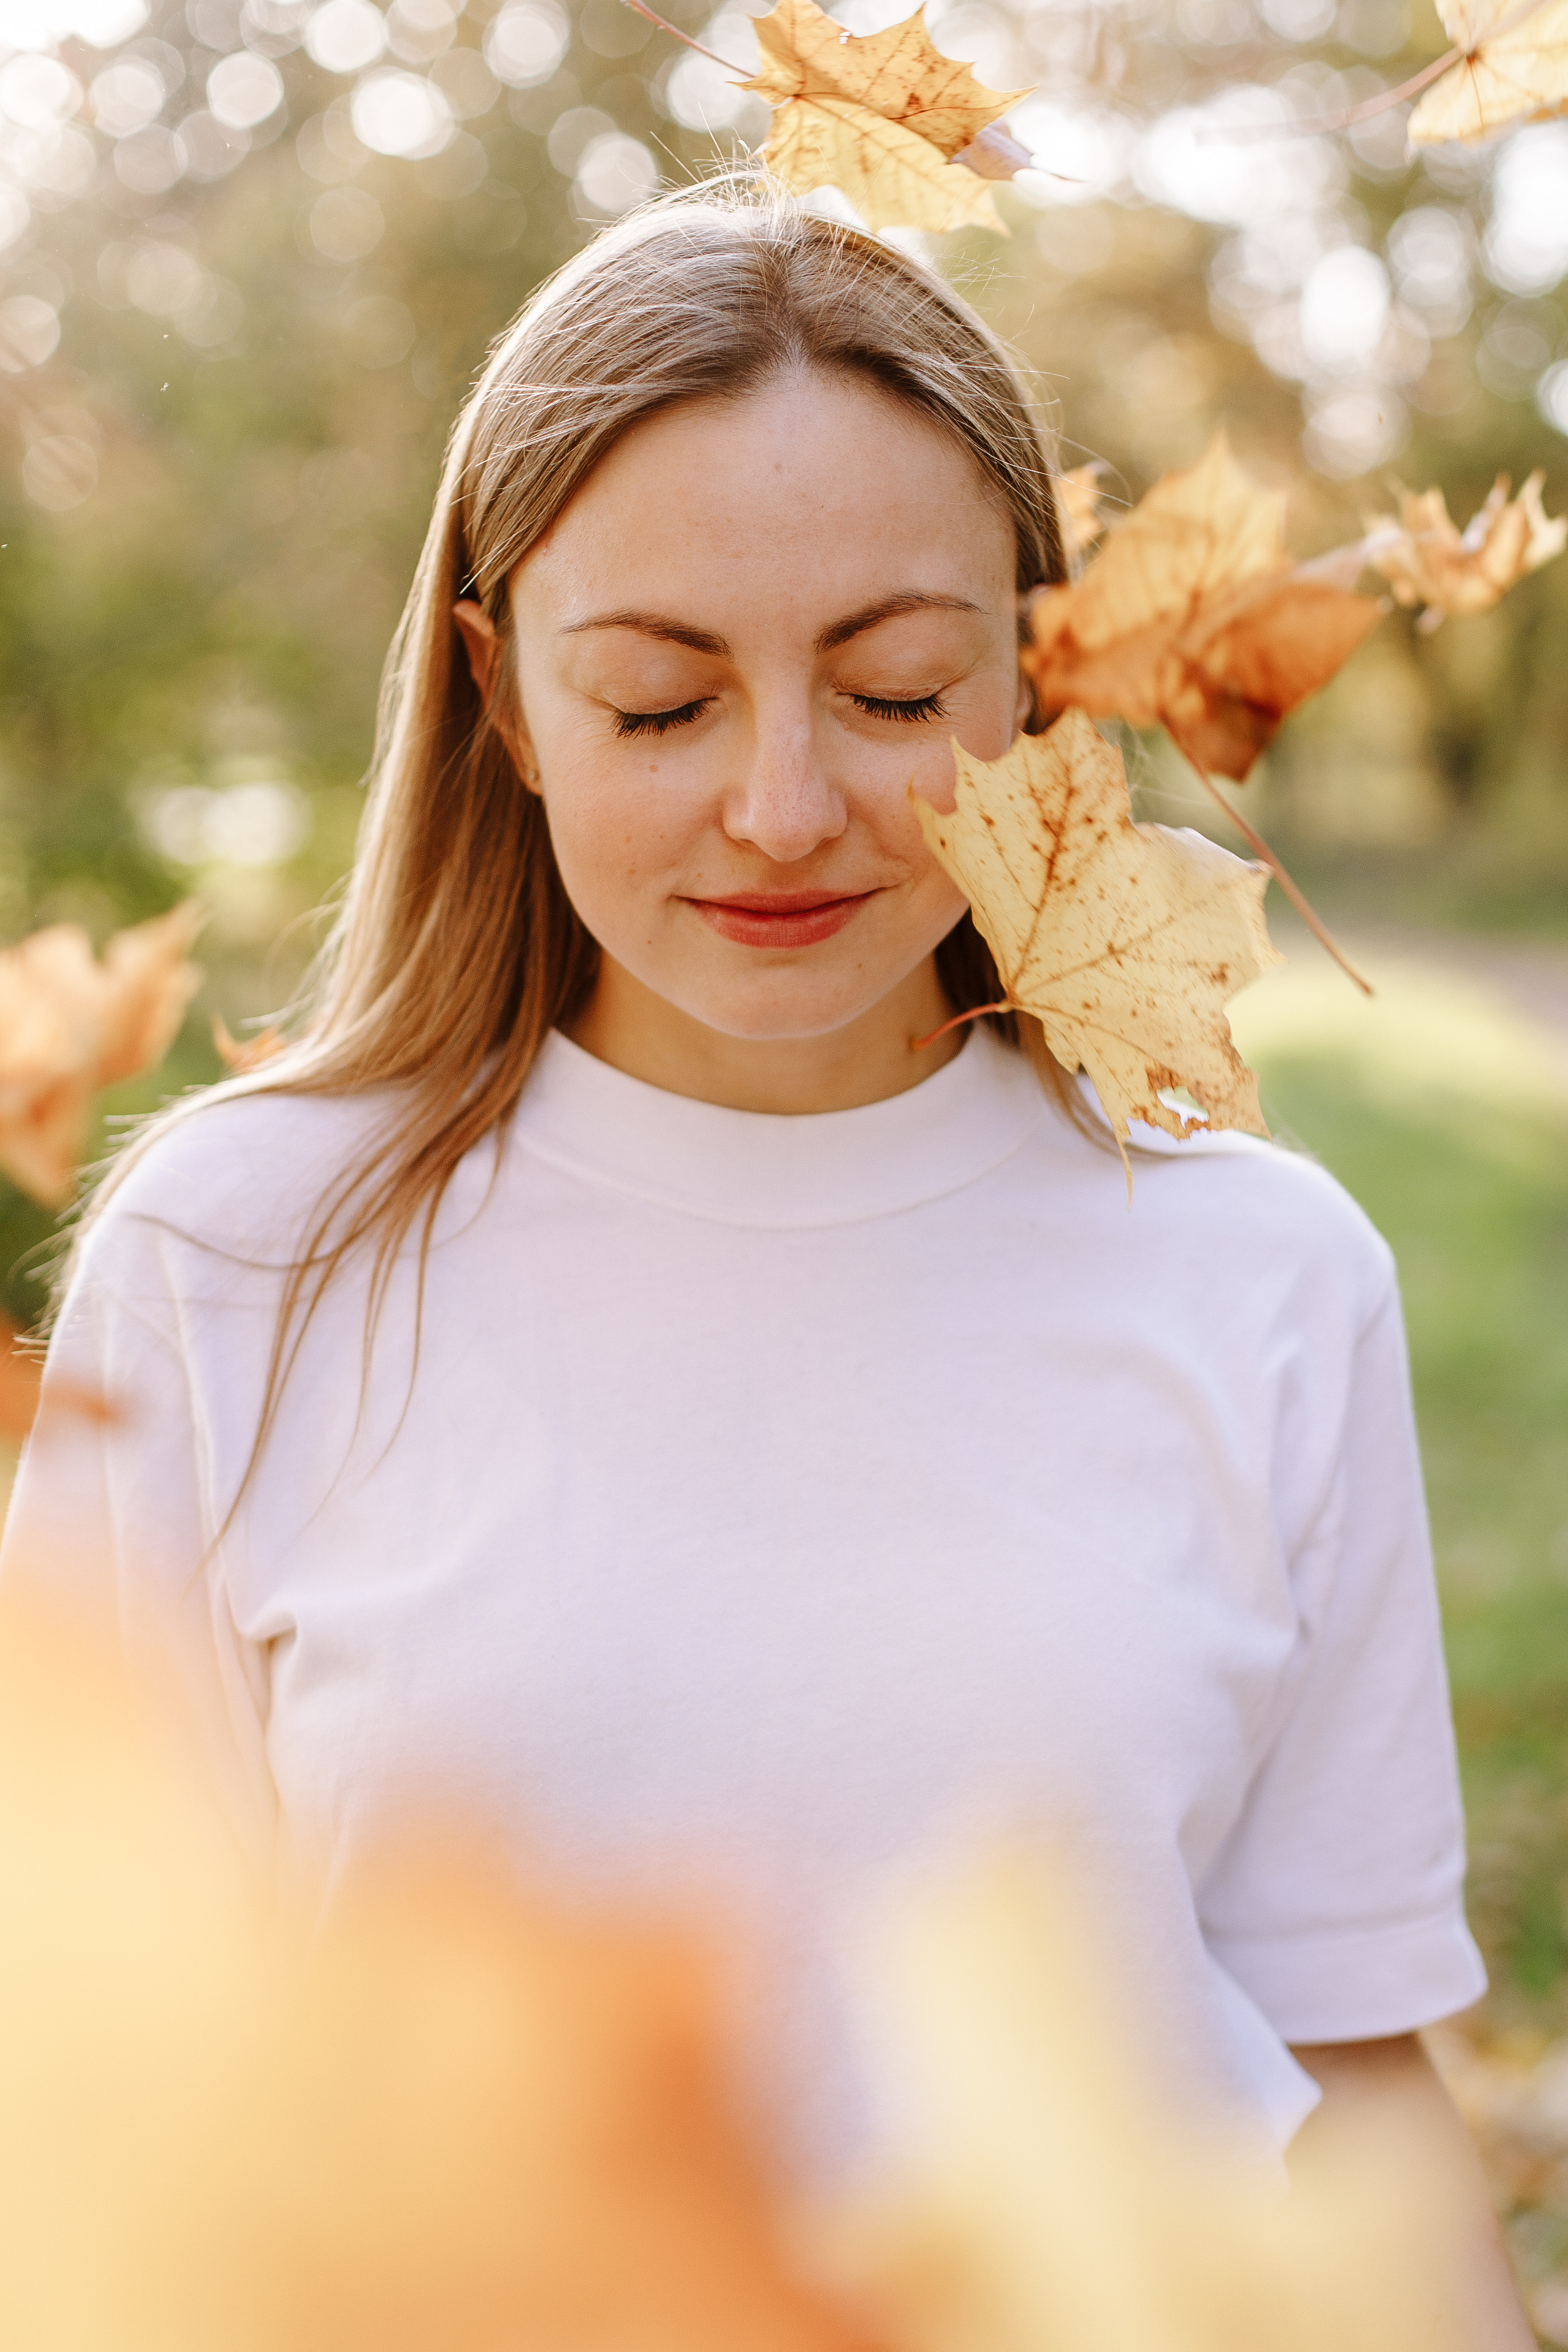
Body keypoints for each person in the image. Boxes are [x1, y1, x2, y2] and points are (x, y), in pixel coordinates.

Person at [2, 188, 1529, 2339]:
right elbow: (96, 2114)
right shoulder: (236, 1265)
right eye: (657, 707)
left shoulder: (1266, 1277)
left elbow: (1353, 2077)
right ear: (506, 703)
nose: (788, 805)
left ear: (1037, 669)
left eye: (898, 687)